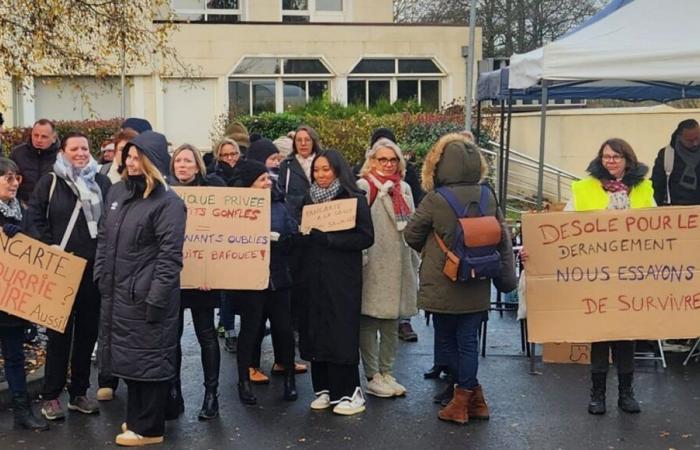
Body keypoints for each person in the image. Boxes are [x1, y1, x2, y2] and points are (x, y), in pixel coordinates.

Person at [523, 137, 651, 416]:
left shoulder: (643, 188)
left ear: (628, 160)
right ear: (600, 160)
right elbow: (564, 225)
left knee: (627, 336)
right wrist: (536, 247)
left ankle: (627, 394)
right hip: (596, 274)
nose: (611, 161)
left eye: (617, 157)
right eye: (606, 157)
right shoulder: (584, 188)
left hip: (630, 274)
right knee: (600, 335)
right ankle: (598, 395)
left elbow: (655, 227)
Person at [404, 133, 517, 425]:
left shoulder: (436, 199)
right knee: (468, 341)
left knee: (446, 341)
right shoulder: (487, 195)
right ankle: (474, 399)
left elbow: (411, 234)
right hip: (479, 280)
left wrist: (437, 246)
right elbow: (502, 236)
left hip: (444, 280)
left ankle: (462, 398)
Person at [95, 130, 186, 446]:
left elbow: (169, 257)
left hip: (146, 296)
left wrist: (157, 297)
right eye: (128, 156)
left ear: (152, 161)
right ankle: (137, 420)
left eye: (137, 157)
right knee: (131, 360)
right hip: (119, 293)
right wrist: (100, 276)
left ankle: (149, 429)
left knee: (149, 359)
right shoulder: (119, 193)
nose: (130, 162)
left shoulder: (168, 203)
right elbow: (105, 238)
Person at [24, 131, 111, 421]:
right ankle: (51, 396)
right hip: (60, 272)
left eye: (85, 148)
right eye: (74, 148)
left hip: (93, 272)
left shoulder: (101, 181)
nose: (81, 153)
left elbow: (112, 222)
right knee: (59, 335)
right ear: (63, 151)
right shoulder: (50, 182)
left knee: (87, 334)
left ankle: (78, 393)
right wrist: (49, 248)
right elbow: (34, 217)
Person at [299, 149, 374, 416]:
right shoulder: (308, 199)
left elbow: (366, 237)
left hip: (342, 278)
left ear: (338, 170)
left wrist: (330, 240)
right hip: (313, 278)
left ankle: (350, 391)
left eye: (326, 170)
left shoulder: (354, 199)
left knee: (340, 331)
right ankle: (324, 389)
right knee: (316, 330)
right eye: (316, 170)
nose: (320, 175)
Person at [230, 160, 299, 405]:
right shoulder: (235, 209)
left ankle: (290, 378)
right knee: (250, 330)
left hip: (278, 277)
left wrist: (284, 239)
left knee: (284, 329)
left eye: (268, 179)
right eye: (261, 180)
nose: (267, 183)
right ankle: (243, 381)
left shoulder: (280, 205)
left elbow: (292, 234)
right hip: (250, 279)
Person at [356, 138, 418, 398]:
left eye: (393, 160)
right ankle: (372, 375)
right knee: (369, 320)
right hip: (372, 262)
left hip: (398, 262)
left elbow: (412, 224)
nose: (388, 164)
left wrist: (414, 260)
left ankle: (387, 371)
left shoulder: (403, 187)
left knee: (392, 321)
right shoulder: (364, 186)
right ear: (372, 161)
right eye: (383, 159)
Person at [169, 144, 225, 420]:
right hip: (173, 277)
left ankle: (211, 395)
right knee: (172, 336)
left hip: (203, 278)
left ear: (197, 166)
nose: (182, 166)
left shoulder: (211, 191)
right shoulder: (164, 192)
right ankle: (174, 392)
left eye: (187, 161)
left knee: (206, 334)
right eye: (178, 161)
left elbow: (220, 235)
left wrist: (212, 273)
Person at [0, 157, 49, 431]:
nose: (14, 183)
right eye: (7, 177)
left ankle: (22, 411)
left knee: (15, 356)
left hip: (14, 302)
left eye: (16, 177)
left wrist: (24, 239)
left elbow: (36, 250)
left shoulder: (24, 212)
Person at [10, 119, 60, 205]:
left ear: (54, 138)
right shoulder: (17, 153)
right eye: (35, 135)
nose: (39, 140)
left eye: (44, 137)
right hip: (23, 207)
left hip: (52, 209)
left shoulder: (62, 156)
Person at [651, 119, 700, 206]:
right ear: (679, 137)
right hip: (675, 210)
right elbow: (657, 186)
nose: (695, 143)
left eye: (697, 138)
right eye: (690, 141)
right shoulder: (667, 155)